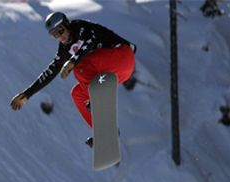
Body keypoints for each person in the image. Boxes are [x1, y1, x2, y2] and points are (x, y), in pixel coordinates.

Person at [10, 12, 136, 146]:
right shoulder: (64, 50)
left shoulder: (81, 27)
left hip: (122, 56)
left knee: (79, 66)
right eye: (54, 35)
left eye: (60, 30)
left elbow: (90, 41)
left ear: (67, 24)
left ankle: (95, 98)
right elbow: (50, 72)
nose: (60, 36)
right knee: (77, 94)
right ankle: (105, 133)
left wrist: (73, 61)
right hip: (115, 75)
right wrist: (27, 94)